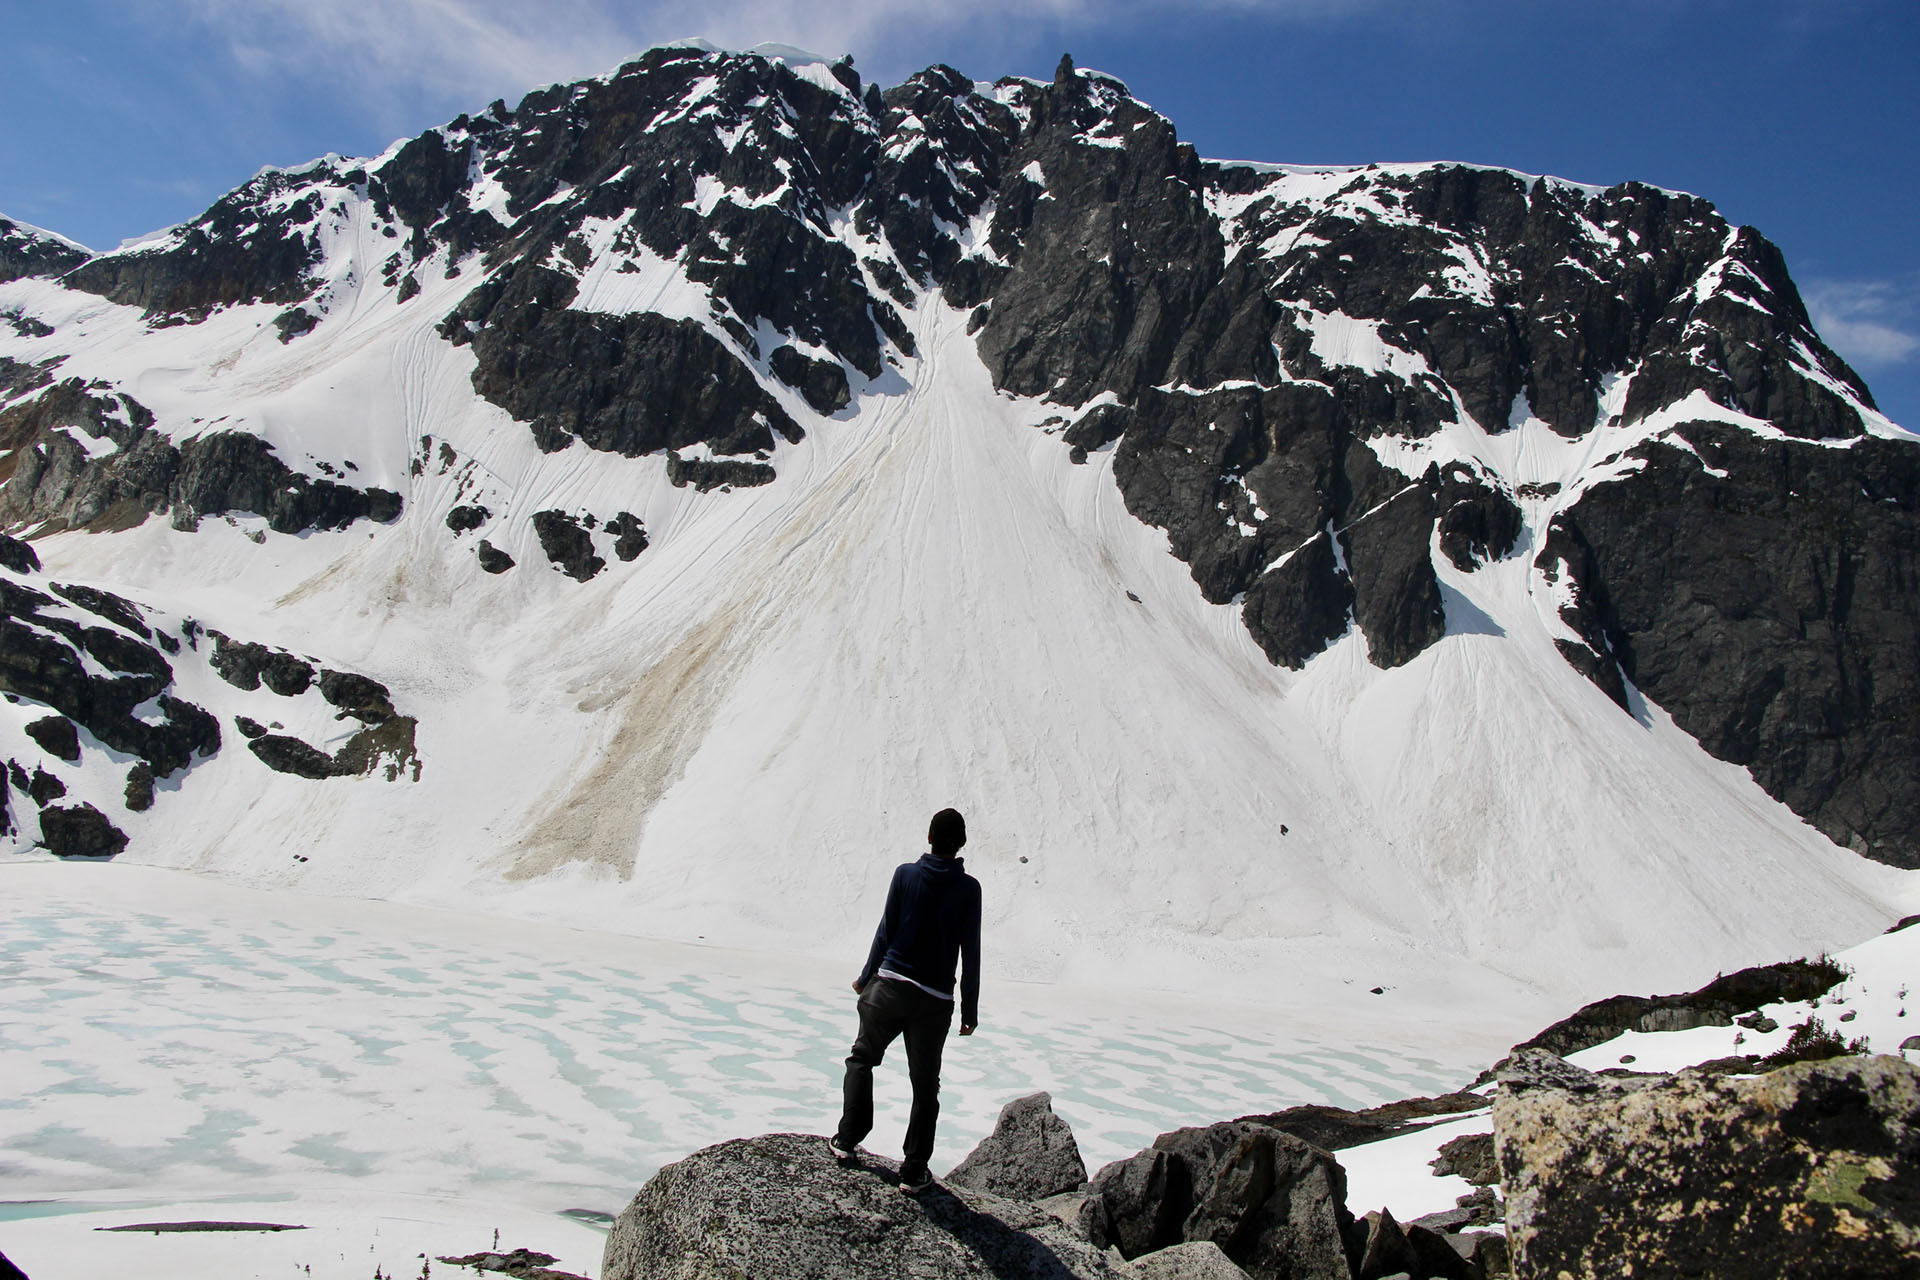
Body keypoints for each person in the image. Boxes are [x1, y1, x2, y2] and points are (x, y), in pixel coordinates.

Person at [829, 807, 982, 1193]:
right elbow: (971, 951)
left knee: (862, 1058)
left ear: (928, 837)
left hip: (891, 986)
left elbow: (886, 931)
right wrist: (969, 1010)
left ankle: (848, 1138)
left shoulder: (905, 875)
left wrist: (866, 978)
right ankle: (913, 1170)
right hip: (934, 1000)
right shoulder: (969, 889)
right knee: (925, 1085)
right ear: (961, 843)